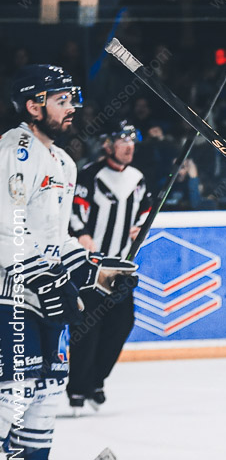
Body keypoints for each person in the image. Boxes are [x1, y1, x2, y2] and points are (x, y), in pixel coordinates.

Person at [1, 65, 135, 460]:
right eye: (61, 100)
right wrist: (43, 278)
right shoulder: (16, 150)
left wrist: (97, 273)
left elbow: (57, 240)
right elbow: (7, 228)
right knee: (14, 394)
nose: (71, 107)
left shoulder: (62, 162)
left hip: (45, 295)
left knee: (47, 391)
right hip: (13, 293)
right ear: (33, 105)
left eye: (72, 98)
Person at [67, 121, 151, 412]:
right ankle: (77, 387)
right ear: (107, 144)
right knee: (88, 327)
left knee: (121, 324)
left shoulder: (138, 178)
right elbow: (75, 212)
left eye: (132, 140)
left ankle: (96, 380)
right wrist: (82, 236)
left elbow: (144, 212)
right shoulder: (90, 174)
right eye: (122, 140)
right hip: (91, 268)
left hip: (121, 268)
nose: (129, 146)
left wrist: (140, 228)